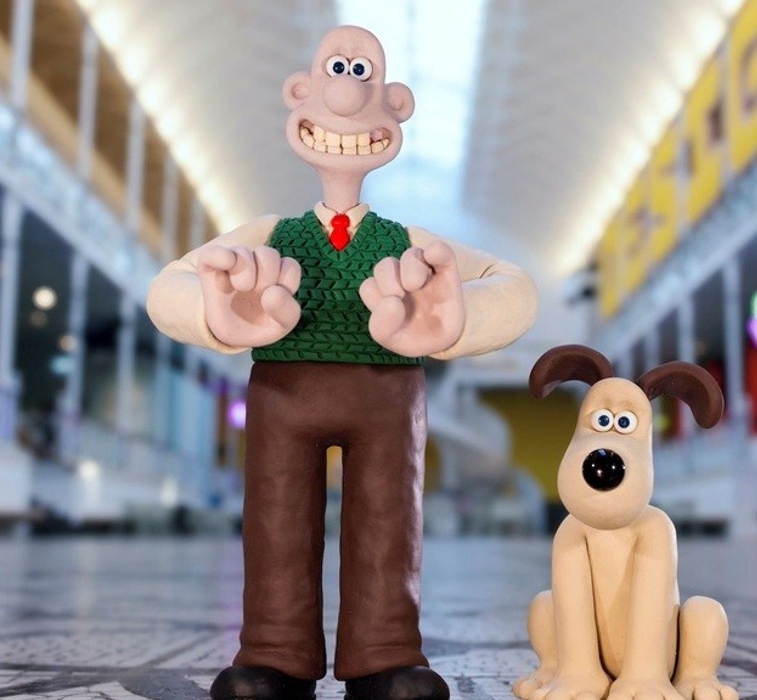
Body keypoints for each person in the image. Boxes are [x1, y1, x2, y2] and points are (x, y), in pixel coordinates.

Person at [147, 25, 538, 700]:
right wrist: (220, 309)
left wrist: (450, 315)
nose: (347, 95)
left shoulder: (408, 241)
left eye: (363, 76)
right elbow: (169, 285)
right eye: (334, 72)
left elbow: (514, 285)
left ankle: (385, 653)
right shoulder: (271, 233)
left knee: (390, 523)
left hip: (386, 395)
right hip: (283, 391)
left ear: (394, 105)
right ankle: (273, 652)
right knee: (274, 520)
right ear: (299, 95)